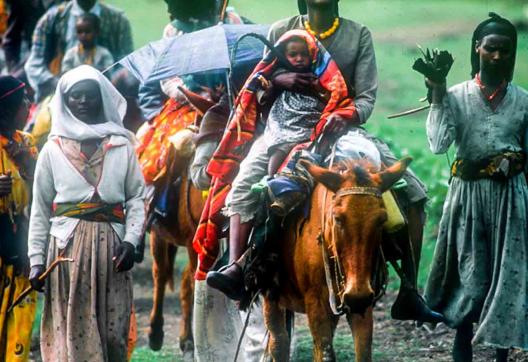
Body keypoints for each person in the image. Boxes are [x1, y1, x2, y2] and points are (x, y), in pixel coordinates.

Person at [424, 13, 527, 362]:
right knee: (469, 273)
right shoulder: (456, 96)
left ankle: (502, 353)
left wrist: (512, 162)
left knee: (508, 273)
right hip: (467, 199)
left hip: (510, 200)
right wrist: (437, 95)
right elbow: (438, 144)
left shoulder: (524, 101)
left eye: (506, 51)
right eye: (491, 49)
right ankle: (461, 347)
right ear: (477, 49)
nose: (498, 57)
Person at [27, 65, 146, 362]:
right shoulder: (52, 149)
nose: (82, 102)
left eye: (89, 96)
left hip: (112, 252)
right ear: (64, 101)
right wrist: (36, 261)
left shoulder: (122, 145)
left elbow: (136, 198)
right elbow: (40, 208)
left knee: (112, 330)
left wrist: (131, 241)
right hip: (67, 252)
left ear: (102, 98)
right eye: (74, 96)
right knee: (71, 327)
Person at [24, 0, 132, 101]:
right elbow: (34, 65)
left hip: (106, 96)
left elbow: (127, 64)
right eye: (80, 32)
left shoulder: (118, 20)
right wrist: (61, 84)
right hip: (58, 95)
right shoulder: (51, 19)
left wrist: (106, 84)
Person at [0, 76, 38, 362]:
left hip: (21, 243)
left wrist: (28, 163)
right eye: (23, 101)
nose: (28, 106)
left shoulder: (27, 143)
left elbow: (44, 188)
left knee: (21, 326)